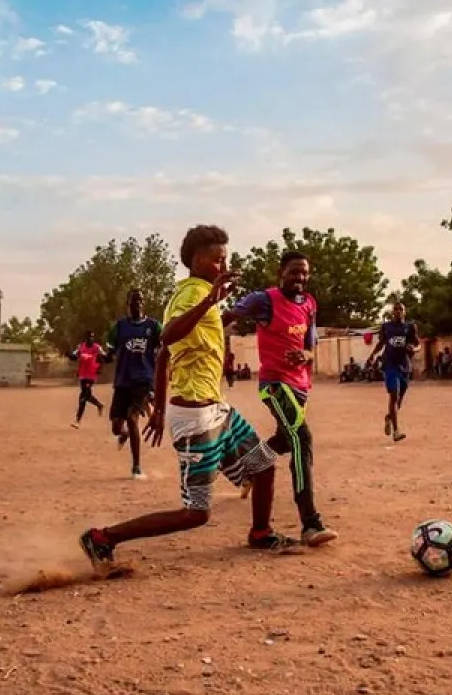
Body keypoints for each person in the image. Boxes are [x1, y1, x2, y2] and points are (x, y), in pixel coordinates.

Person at [79, 224, 301, 573]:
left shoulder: (202, 293)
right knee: (196, 513)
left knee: (262, 465)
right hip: (195, 418)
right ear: (198, 259)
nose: (223, 265)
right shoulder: (191, 295)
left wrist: (158, 409)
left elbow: (167, 355)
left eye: (225, 258)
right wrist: (211, 299)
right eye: (218, 259)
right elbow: (166, 337)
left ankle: (261, 532)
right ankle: (103, 537)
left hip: (215, 407)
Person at [226, 250, 337, 547]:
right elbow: (226, 317)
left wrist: (305, 354)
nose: (299, 277)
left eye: (304, 272)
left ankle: (249, 467)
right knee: (302, 439)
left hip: (300, 386)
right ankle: (310, 524)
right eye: (294, 271)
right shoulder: (264, 300)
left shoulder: (310, 304)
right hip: (275, 385)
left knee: (286, 439)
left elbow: (311, 347)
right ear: (281, 272)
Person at [105, 289, 162, 479]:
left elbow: (165, 348)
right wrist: (102, 358)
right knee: (116, 426)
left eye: (140, 300)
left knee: (132, 418)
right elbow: (110, 352)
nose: (137, 303)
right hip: (123, 381)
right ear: (128, 304)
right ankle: (124, 434)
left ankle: (136, 466)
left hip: (143, 380)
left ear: (143, 303)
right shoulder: (120, 327)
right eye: (133, 300)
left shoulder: (154, 327)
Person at [365, 302, 418, 441]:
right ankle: (396, 432)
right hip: (390, 365)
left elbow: (418, 344)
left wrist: (414, 349)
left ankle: (389, 417)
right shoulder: (386, 327)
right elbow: (381, 343)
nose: (398, 311)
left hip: (404, 366)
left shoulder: (410, 327)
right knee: (394, 395)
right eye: (395, 309)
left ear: (405, 312)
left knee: (398, 401)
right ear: (392, 312)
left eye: (401, 309)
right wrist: (372, 355)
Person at [69, 332, 106, 427]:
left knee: (83, 397)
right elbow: (74, 356)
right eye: (89, 337)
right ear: (85, 339)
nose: (91, 339)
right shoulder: (81, 347)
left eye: (93, 337)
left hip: (91, 375)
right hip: (82, 375)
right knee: (87, 395)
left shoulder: (97, 347)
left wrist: (100, 368)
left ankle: (77, 421)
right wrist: (69, 355)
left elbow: (104, 357)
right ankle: (99, 405)